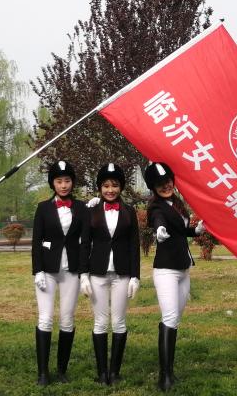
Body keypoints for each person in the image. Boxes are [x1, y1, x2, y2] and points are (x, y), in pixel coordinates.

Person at [145, 161, 205, 392]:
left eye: (168, 181)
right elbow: (158, 220)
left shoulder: (177, 203)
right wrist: (158, 230)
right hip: (166, 270)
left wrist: (194, 231)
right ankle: (165, 375)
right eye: (160, 184)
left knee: (174, 319)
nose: (166, 186)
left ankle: (168, 367)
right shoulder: (156, 207)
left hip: (183, 269)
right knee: (170, 316)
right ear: (154, 187)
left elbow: (180, 229)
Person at [80, 163, 141, 385]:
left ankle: (114, 372)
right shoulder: (91, 211)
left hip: (122, 275)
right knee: (100, 321)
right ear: (99, 187)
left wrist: (136, 276)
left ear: (121, 187)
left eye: (115, 185)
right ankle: (101, 372)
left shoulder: (129, 212)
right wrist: (83, 275)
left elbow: (134, 245)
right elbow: (84, 244)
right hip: (97, 273)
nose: (110, 190)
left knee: (119, 321)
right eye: (105, 185)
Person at [31, 160, 87, 385]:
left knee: (67, 319)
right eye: (59, 181)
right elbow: (36, 242)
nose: (63, 185)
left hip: (71, 271)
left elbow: (85, 243)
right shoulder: (43, 208)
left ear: (72, 182)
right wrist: (38, 271)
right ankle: (43, 373)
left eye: (67, 181)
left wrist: (84, 272)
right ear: (52, 183)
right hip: (48, 270)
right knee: (45, 319)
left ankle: (62, 370)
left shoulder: (81, 208)